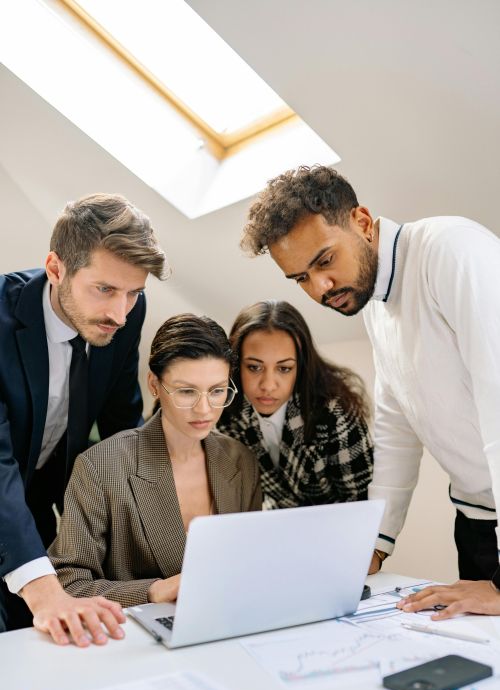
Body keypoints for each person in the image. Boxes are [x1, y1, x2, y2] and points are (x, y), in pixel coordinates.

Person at [238, 164, 500, 618]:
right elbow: (398, 426)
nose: (319, 288)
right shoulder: (375, 306)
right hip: (478, 520)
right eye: (300, 278)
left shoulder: (452, 252)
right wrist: (373, 545)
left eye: (323, 261)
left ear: (361, 221)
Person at [0, 193, 167, 643]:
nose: (120, 312)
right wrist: (45, 593)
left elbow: (121, 423)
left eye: (135, 293)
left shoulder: (125, 315)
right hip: (4, 499)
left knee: (43, 642)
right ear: (56, 268)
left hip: (35, 511)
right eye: (105, 289)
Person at [48, 314, 261, 605]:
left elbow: (252, 564)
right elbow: (69, 582)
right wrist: (150, 591)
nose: (204, 409)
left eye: (217, 391)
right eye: (187, 391)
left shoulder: (241, 462)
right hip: (135, 637)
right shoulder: (100, 466)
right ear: (154, 384)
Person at [217, 300, 372, 509]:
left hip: (337, 528)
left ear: (301, 366)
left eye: (284, 368)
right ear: (235, 364)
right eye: (254, 367)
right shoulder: (226, 410)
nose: (268, 385)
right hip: (273, 526)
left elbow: (363, 501)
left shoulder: (334, 412)